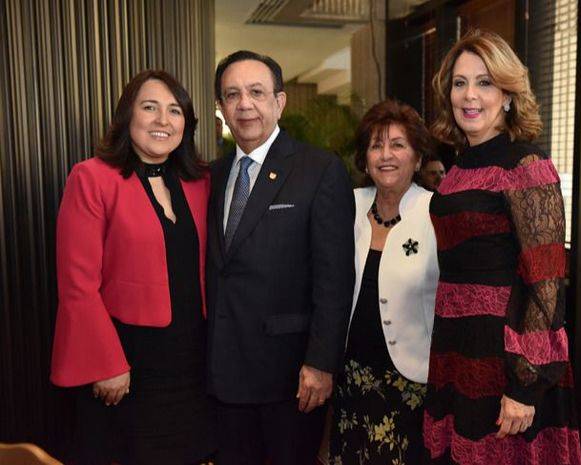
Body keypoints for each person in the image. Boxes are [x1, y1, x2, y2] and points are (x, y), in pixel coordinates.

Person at [423, 30, 581, 464]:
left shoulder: (526, 163)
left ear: (509, 95)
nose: (470, 95)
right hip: (457, 346)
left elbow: (547, 284)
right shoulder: (457, 168)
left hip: (506, 356)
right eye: (460, 83)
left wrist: (525, 385)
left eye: (485, 82)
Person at [50, 70, 215, 465]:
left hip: (193, 365)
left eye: (174, 111)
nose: (163, 120)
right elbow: (77, 285)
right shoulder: (91, 178)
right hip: (126, 365)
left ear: (186, 124)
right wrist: (106, 363)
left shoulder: (202, 181)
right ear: (128, 116)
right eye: (150, 107)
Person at [207, 50, 355, 465]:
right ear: (220, 107)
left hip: (290, 378)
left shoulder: (319, 169)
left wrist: (322, 363)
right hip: (224, 377)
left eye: (256, 92)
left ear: (280, 101)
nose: (244, 104)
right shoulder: (213, 176)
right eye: (232, 95)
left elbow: (335, 279)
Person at [329, 100, 440, 465]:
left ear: (418, 157)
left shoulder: (436, 213)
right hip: (351, 377)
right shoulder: (346, 206)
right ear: (364, 158)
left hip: (411, 382)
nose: (386, 155)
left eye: (397, 144)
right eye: (376, 145)